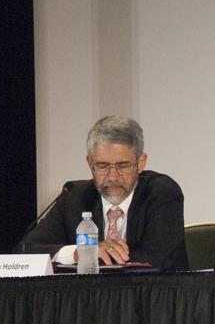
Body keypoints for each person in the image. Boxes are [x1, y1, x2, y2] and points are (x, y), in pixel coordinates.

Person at [16, 115, 188, 269]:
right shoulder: (74, 197)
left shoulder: (162, 193)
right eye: (102, 166)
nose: (112, 176)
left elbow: (156, 260)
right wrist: (78, 253)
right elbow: (25, 252)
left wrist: (92, 257)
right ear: (90, 162)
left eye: (122, 165)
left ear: (141, 163)